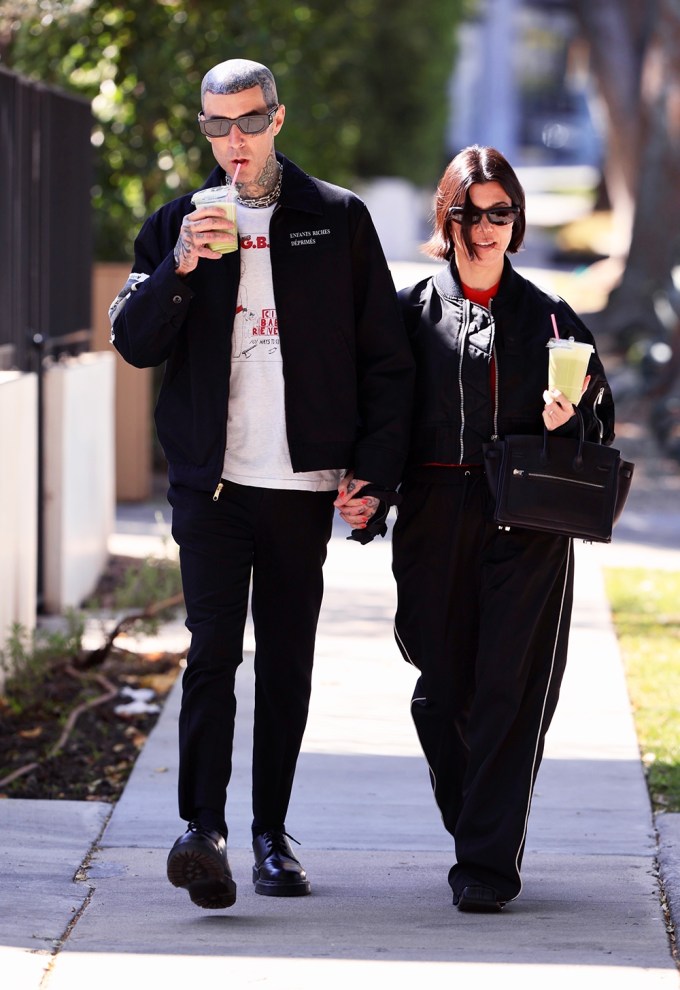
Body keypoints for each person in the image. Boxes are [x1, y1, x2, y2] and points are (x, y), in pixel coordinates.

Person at [109, 58, 413, 910]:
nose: (231, 142)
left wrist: (374, 477)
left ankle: (272, 836)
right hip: (211, 486)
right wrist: (178, 268)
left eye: (246, 123)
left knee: (286, 664)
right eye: (215, 128)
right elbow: (134, 343)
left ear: (277, 119)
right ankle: (201, 831)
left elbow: (385, 364)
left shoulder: (336, 219)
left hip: (299, 486)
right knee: (212, 654)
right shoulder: (180, 223)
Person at [389, 145, 615, 913]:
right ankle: (474, 822)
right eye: (472, 212)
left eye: (501, 214)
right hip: (431, 517)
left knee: (509, 693)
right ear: (446, 217)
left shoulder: (553, 319)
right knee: (439, 687)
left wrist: (570, 416)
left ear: (515, 222)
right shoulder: (410, 314)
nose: (486, 228)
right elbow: (380, 418)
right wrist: (361, 492)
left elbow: (601, 425)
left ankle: (486, 863)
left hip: (527, 524)